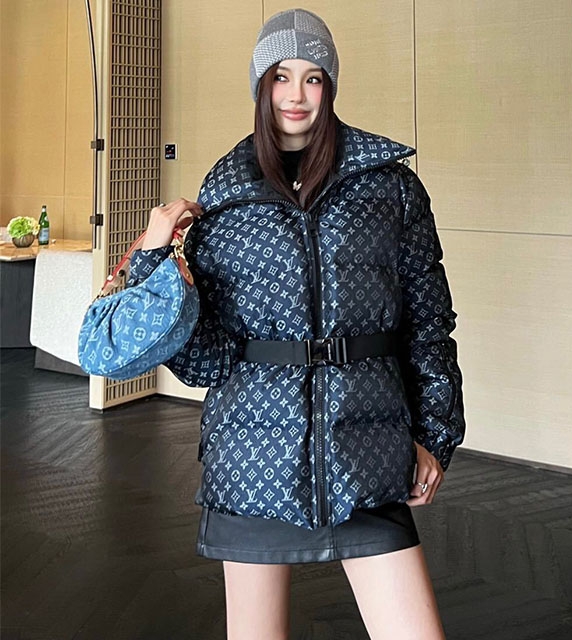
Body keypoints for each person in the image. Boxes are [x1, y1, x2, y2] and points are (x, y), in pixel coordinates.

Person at [127, 8, 465, 639]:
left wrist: (435, 434)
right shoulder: (226, 191)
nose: (296, 95)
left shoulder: (389, 187)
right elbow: (205, 361)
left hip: (367, 449)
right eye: (281, 76)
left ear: (330, 85)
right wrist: (154, 258)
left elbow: (428, 322)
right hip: (252, 455)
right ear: (261, 84)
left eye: (313, 78)